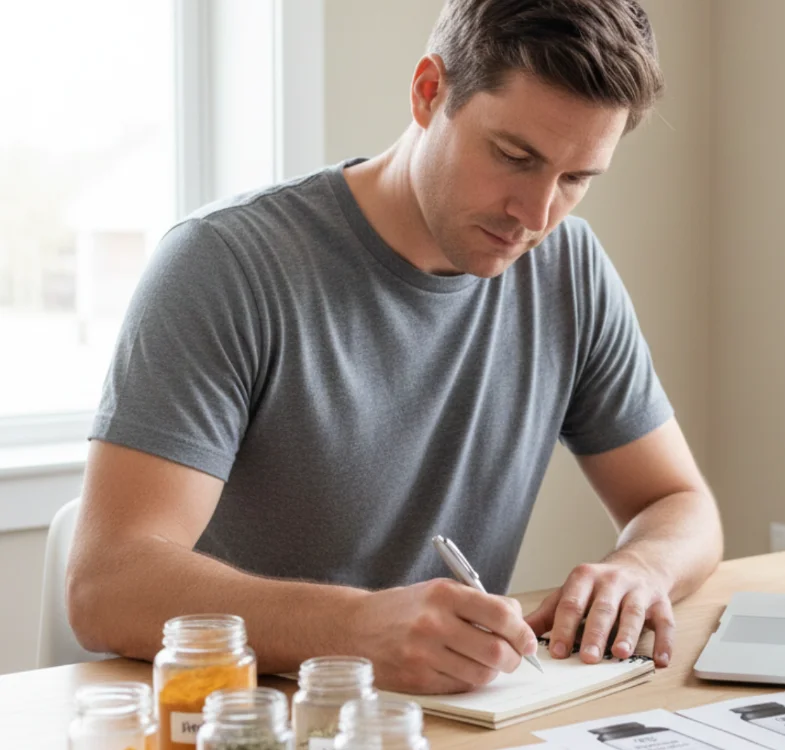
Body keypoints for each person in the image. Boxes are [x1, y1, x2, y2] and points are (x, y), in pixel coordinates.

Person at [67, 0, 723, 695]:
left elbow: (681, 504)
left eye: (574, 180)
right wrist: (354, 629)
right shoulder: (226, 264)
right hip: (241, 718)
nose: (535, 217)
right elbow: (107, 587)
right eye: (513, 157)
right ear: (427, 92)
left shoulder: (568, 269)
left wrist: (641, 568)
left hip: (447, 722)